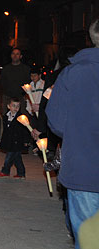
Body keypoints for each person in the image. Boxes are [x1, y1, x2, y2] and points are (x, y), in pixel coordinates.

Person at [47, 18, 99, 249]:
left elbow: (56, 122)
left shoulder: (72, 74)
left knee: (90, 239)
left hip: (84, 168)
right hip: (84, 168)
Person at [0, 98, 29, 179]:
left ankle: (5, 171)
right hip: (9, 141)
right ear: (8, 106)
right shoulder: (5, 116)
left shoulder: (21, 118)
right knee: (17, 158)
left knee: (9, 157)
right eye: (13, 106)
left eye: (18, 106)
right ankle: (21, 173)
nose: (16, 108)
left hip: (17, 142)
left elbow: (26, 130)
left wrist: (26, 141)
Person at [1, 48, 31, 115]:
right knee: (6, 116)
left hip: (21, 98)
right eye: (13, 54)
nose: (15, 56)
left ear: (20, 56)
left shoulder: (26, 69)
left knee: (22, 117)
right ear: (11, 55)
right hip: (7, 97)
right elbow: (3, 82)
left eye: (17, 54)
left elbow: (28, 82)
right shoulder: (6, 69)